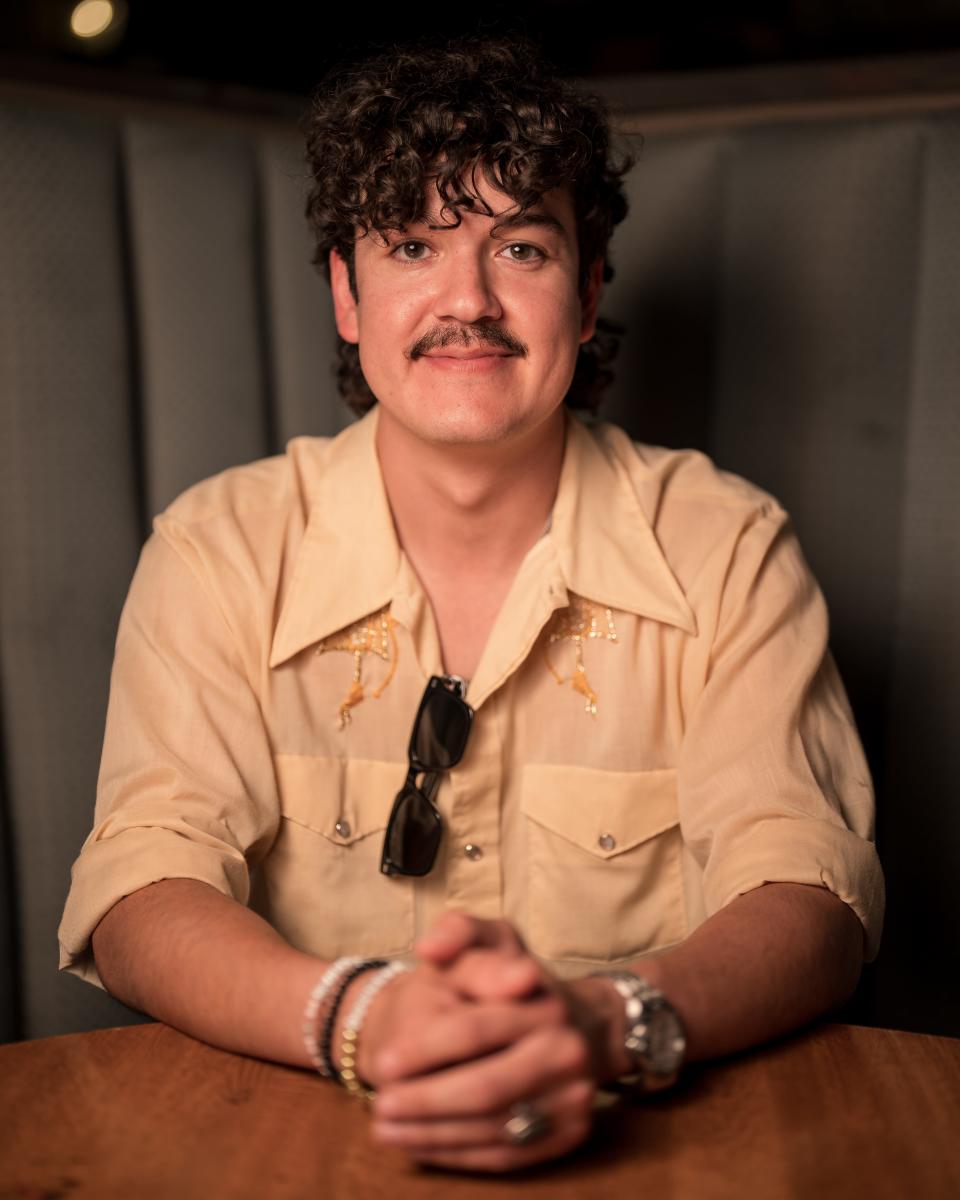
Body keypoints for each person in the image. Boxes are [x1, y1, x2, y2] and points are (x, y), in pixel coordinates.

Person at [58, 36, 884, 1173]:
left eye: (522, 246)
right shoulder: (219, 548)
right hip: (300, 1156)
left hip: (660, 1154)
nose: (468, 301)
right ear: (348, 296)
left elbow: (809, 895)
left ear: (587, 294)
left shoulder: (729, 545)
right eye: (411, 244)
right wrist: (363, 1016)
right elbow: (144, 884)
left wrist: (603, 1025)